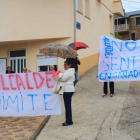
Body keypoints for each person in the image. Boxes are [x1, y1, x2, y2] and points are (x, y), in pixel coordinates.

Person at [51, 60, 75, 126]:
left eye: (66, 65)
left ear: (69, 65)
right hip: (68, 90)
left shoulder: (69, 71)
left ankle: (68, 121)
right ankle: (69, 120)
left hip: (68, 90)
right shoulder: (69, 71)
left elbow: (63, 79)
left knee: (67, 106)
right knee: (68, 106)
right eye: (64, 65)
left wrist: (58, 77)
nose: (64, 66)